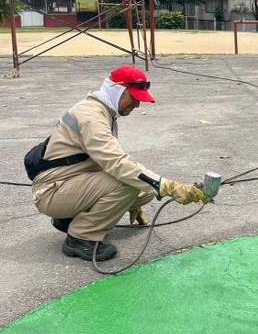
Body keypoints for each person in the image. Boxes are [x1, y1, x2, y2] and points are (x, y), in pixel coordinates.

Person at [28, 65, 208, 262]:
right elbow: (118, 164)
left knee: (145, 190)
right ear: (118, 90)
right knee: (130, 182)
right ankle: (81, 237)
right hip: (52, 192)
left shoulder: (102, 110)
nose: (137, 105)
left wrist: (132, 202)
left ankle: (69, 219)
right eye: (134, 99)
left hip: (66, 183)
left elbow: (107, 162)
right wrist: (171, 187)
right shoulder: (91, 117)